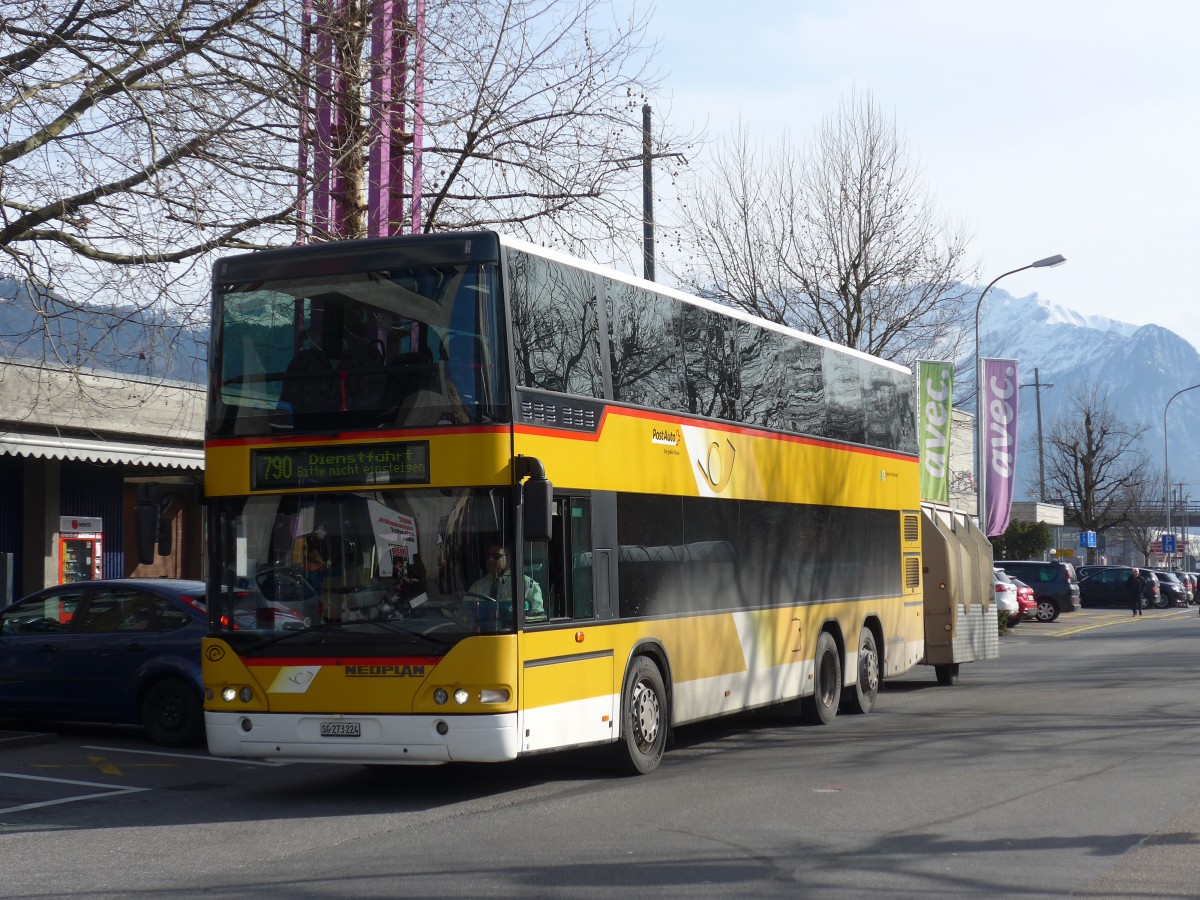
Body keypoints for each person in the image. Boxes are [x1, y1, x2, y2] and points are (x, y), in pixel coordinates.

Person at [468, 545, 544, 619]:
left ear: (508, 559)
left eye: (496, 556)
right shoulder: (477, 586)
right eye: (488, 556)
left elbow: (537, 617)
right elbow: (465, 612)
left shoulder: (525, 584)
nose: (490, 560)